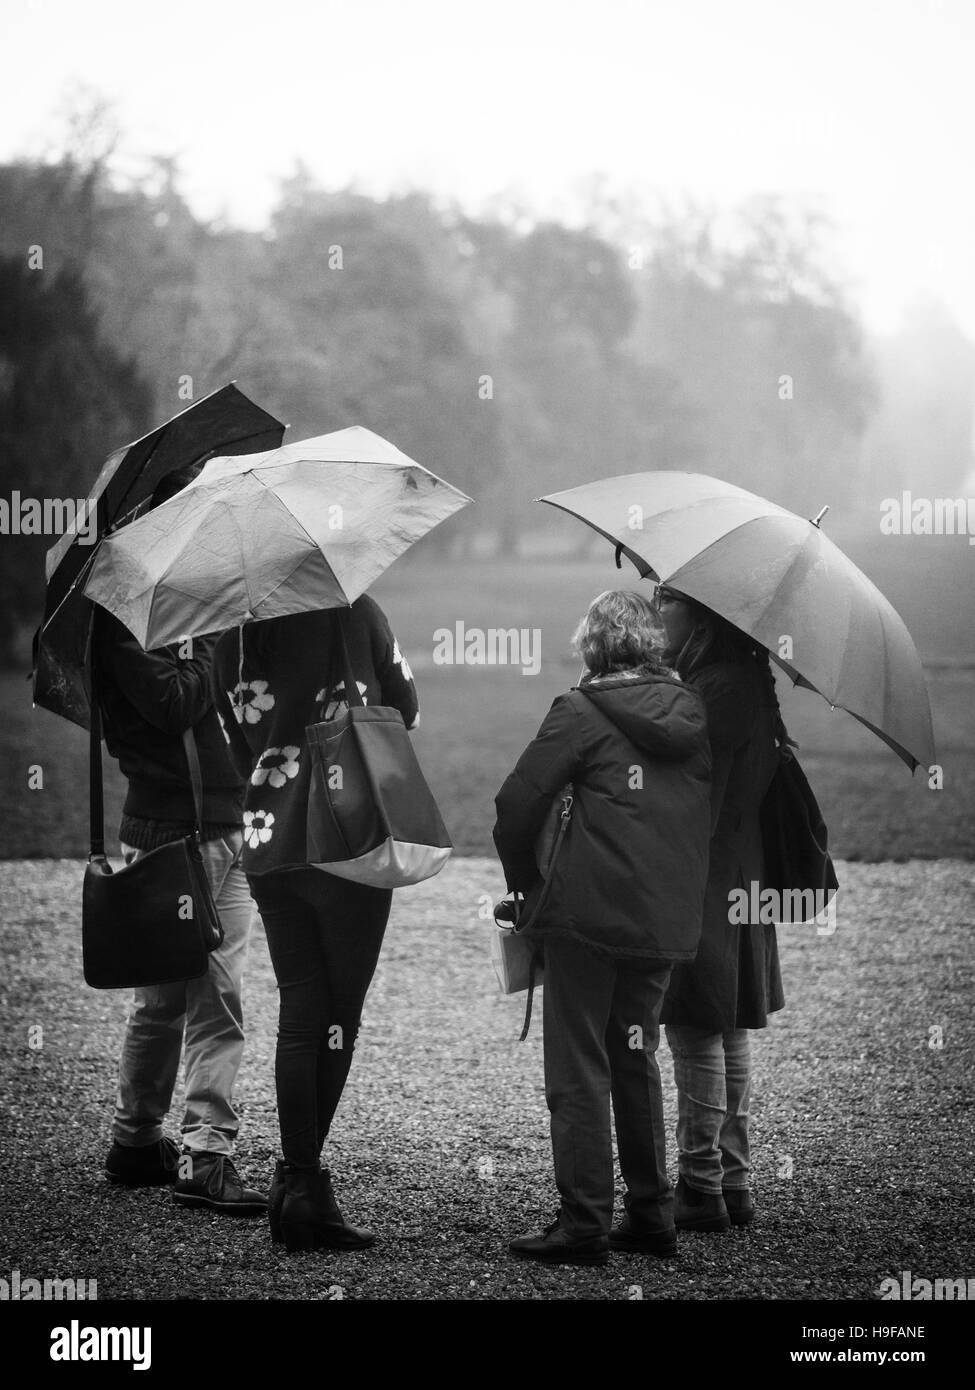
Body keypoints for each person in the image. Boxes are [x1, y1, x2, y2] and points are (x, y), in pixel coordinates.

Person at [493, 590, 712, 1265]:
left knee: (578, 1065)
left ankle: (583, 1221)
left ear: (593, 647)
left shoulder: (579, 712)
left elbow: (514, 804)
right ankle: (649, 1213)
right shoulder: (693, 712)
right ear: (652, 645)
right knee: (634, 1056)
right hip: (662, 919)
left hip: (585, 918)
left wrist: (523, 890)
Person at [212, 596, 419, 1253]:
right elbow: (404, 707)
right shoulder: (355, 610)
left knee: (303, 1006)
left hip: (269, 836)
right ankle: (300, 1183)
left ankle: (299, 1180)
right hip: (346, 831)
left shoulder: (232, 632)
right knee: (339, 1014)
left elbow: (228, 729)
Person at [98, 465, 265, 1215]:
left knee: (198, 995)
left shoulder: (186, 606)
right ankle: (174, 1149)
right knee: (182, 999)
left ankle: (159, 1145)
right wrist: (217, 637)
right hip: (174, 829)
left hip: (221, 823)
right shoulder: (120, 612)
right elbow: (171, 704)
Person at [655, 583, 786, 1232]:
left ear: (703, 616)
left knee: (694, 1025)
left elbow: (683, 792)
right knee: (726, 1026)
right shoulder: (744, 682)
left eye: (666, 600)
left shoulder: (712, 691)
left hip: (703, 877)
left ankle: (701, 1187)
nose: (655, 610)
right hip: (739, 872)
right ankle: (733, 1183)